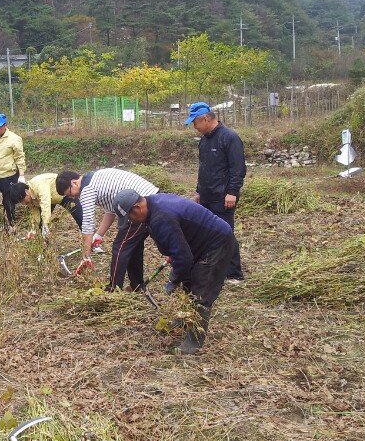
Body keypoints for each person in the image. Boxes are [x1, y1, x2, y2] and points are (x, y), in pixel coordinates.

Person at [113, 188, 236, 355]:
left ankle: (194, 340)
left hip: (216, 242)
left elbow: (184, 259)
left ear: (137, 207)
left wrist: (174, 278)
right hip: (198, 241)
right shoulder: (153, 204)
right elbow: (179, 239)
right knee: (189, 282)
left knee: (200, 289)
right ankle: (184, 319)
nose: (131, 221)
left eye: (130, 217)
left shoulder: (161, 217)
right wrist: (174, 253)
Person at [55, 169, 159, 291]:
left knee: (120, 246)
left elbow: (87, 225)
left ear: (74, 183)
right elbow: (111, 212)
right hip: (152, 199)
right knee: (133, 246)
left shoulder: (87, 189)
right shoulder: (94, 179)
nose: (72, 197)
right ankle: (137, 285)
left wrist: (86, 256)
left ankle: (113, 289)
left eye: (69, 193)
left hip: (140, 206)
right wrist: (98, 236)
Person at [185, 101, 247, 283]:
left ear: (205, 118)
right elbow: (203, 168)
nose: (194, 127)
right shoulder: (204, 141)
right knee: (205, 233)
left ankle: (234, 273)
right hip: (206, 195)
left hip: (223, 196)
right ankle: (211, 268)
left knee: (224, 232)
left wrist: (232, 192)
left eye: (195, 123)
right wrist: (198, 191)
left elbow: (238, 168)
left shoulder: (229, 138)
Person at [8, 173, 83, 238]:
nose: (24, 203)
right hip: (51, 199)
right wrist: (33, 229)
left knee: (81, 218)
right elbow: (35, 212)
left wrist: (46, 225)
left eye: (23, 200)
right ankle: (44, 250)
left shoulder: (39, 185)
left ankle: (90, 242)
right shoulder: (29, 197)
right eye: (21, 202)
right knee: (41, 226)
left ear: (26, 191)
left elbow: (45, 205)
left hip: (64, 194)